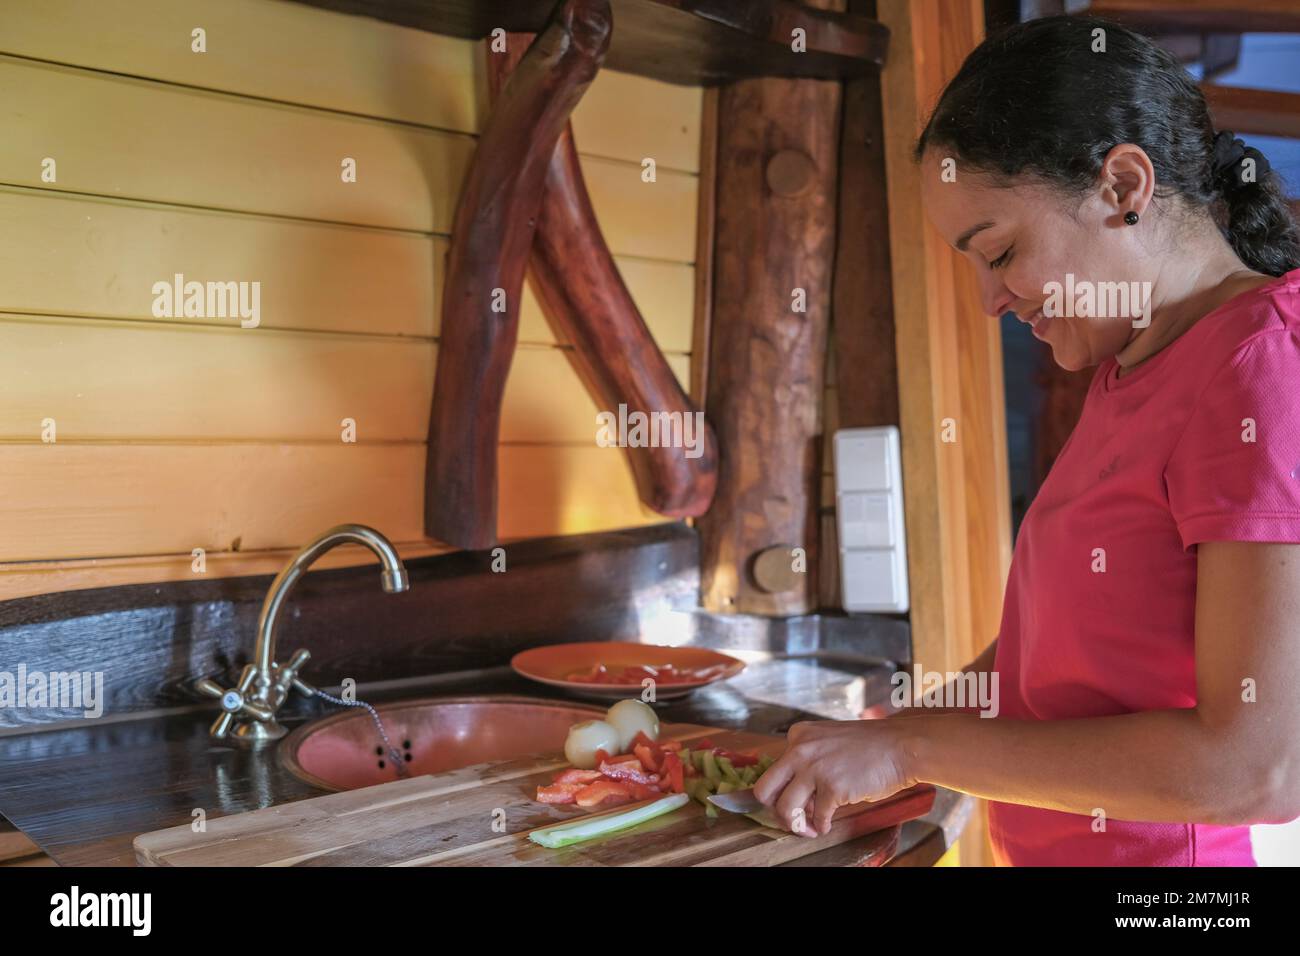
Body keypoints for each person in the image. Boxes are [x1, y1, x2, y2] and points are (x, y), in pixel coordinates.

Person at [754, 15, 1300, 866]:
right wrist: (902, 732)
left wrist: (914, 751)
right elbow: (1052, 655)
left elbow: (1259, 766)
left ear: (1123, 186)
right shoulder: (1134, 368)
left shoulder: (1258, 368)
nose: (990, 301)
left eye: (1000, 250)